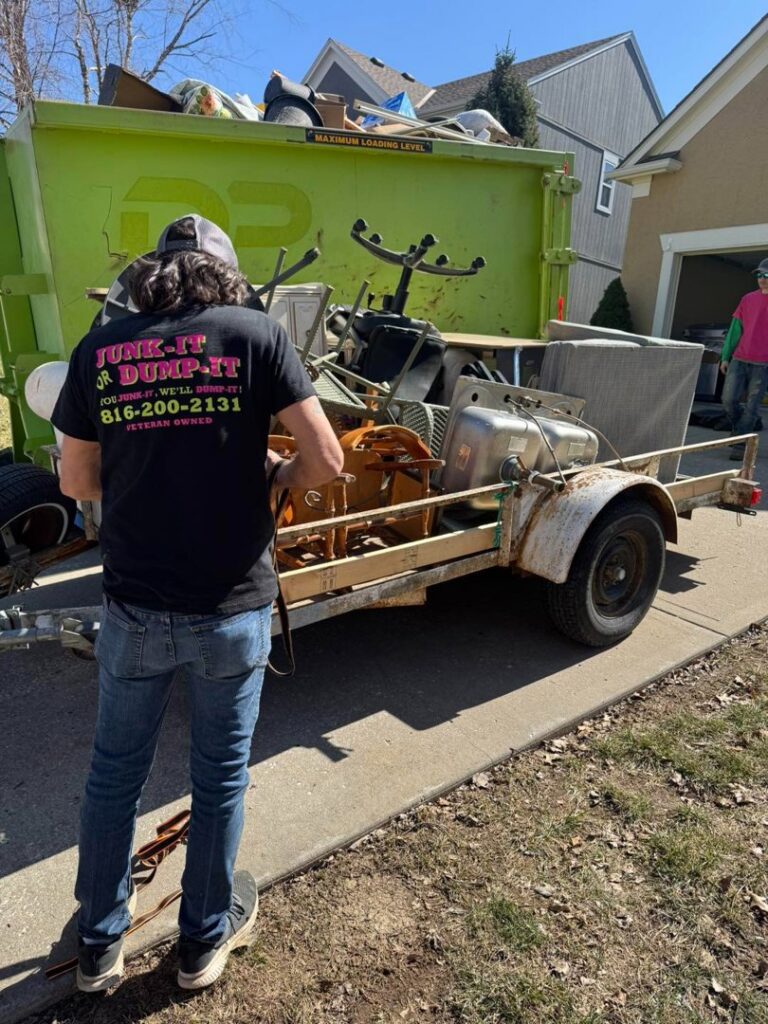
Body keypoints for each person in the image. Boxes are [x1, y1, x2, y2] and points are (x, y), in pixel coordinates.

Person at [51, 215, 343, 993]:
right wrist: (274, 475)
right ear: (227, 275)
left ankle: (99, 947)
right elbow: (326, 459)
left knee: (114, 776)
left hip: (135, 607)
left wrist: (146, 470)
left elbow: (75, 483)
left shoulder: (101, 349)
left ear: (153, 274)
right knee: (218, 779)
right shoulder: (256, 333)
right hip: (230, 608)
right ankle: (201, 945)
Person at [720, 257, 768, 459]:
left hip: (763, 364)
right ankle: (746, 427)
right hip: (740, 359)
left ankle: (740, 445)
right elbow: (734, 330)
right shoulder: (748, 299)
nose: (762, 279)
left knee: (752, 405)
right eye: (759, 274)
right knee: (728, 400)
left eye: (767, 275)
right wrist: (725, 356)